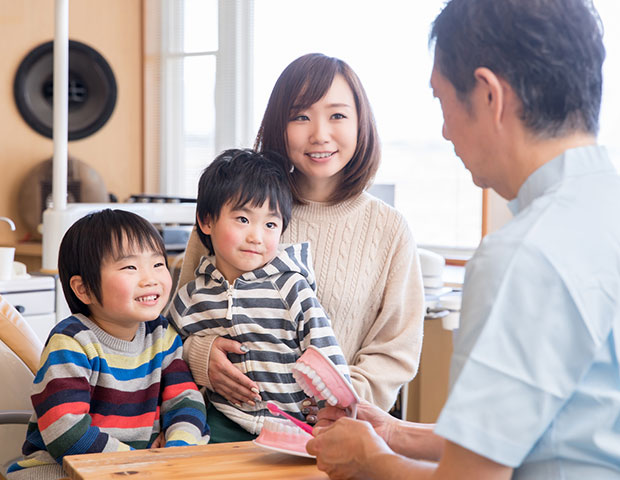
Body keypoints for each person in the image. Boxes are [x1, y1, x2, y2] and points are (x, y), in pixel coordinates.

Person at [305, 0, 620, 478]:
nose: (446, 130)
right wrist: (393, 433)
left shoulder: (522, 255)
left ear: (489, 95)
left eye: (441, 100)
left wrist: (368, 459)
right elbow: (540, 421)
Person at [177, 53, 424, 415]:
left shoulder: (389, 229)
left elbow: (394, 350)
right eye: (300, 116)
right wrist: (199, 356)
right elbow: (175, 321)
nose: (320, 134)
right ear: (279, 124)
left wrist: (341, 401)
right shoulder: (234, 208)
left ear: (361, 124)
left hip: (331, 434)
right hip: (221, 428)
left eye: (337, 115)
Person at [7, 209, 209, 480]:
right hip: (58, 468)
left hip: (135, 469)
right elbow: (66, 432)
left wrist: (176, 448)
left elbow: (185, 400)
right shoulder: (72, 342)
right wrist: (137, 460)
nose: (150, 278)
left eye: (157, 264)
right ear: (84, 289)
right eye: (130, 267)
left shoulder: (162, 336)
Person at [168, 148, 350, 443]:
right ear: (206, 221)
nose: (256, 236)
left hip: (292, 424)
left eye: (270, 224)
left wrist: (338, 408)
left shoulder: (292, 287)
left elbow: (325, 350)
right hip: (220, 420)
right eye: (242, 219)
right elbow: (166, 353)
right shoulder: (191, 297)